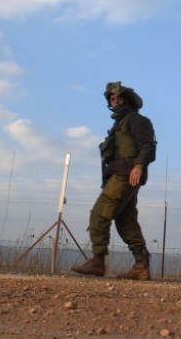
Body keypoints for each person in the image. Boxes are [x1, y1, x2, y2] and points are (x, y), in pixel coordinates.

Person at [71, 81, 157, 280]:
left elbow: (148, 146)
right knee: (126, 221)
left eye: (118, 98)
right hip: (122, 175)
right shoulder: (119, 125)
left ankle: (98, 261)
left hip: (125, 175)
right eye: (112, 98)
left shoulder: (135, 120)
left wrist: (139, 166)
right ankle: (141, 265)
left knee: (100, 214)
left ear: (126, 100)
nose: (115, 101)